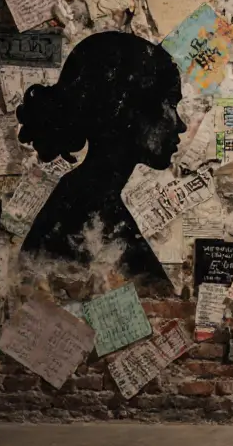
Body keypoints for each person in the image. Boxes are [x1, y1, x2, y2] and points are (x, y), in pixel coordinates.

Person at [17, 31, 187, 285]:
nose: (180, 125)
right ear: (129, 112)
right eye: (171, 104)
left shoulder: (89, 196)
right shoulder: (85, 208)